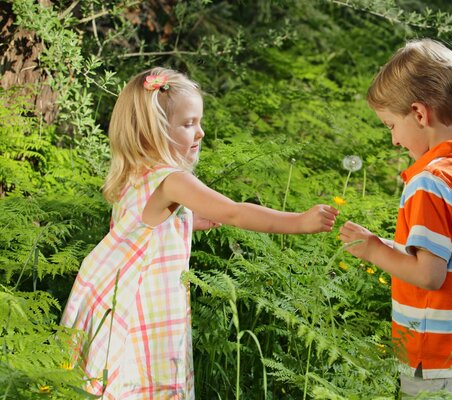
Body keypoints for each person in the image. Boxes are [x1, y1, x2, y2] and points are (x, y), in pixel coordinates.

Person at [60, 67, 339, 399]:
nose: (200, 133)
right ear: (153, 131)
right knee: (146, 381)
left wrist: (187, 219)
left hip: (115, 298)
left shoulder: (136, 173)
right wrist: (299, 222)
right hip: (143, 310)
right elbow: (234, 211)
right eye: (189, 124)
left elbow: (141, 228)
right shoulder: (171, 179)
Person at [339, 39, 452, 399]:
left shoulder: (430, 181)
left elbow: (429, 274)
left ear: (418, 113)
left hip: (438, 358)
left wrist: (370, 249)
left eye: (390, 126)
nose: (394, 140)